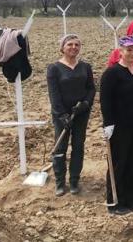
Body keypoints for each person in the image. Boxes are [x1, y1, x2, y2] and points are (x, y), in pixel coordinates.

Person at [101, 36, 133, 215]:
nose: (131, 53)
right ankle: (114, 200)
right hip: (120, 126)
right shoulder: (112, 73)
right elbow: (105, 100)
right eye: (128, 49)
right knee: (119, 163)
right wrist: (108, 123)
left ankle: (131, 197)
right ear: (121, 51)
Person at [46, 34, 95, 196]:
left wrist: (86, 103)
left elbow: (91, 88)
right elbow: (54, 94)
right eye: (70, 45)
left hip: (80, 113)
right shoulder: (54, 68)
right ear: (62, 48)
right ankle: (60, 182)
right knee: (60, 148)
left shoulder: (85, 67)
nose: (74, 47)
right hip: (62, 115)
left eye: (77, 45)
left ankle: (74, 180)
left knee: (78, 146)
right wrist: (62, 115)